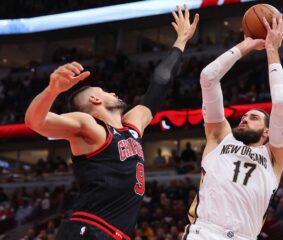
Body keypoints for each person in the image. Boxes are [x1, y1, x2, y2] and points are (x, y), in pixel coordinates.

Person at [25, 5, 198, 240]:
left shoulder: (132, 127)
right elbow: (36, 122)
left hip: (115, 234)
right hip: (88, 229)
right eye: (105, 90)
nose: (113, 92)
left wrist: (181, 42)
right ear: (95, 99)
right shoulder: (90, 127)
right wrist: (51, 90)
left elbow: (159, 84)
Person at [183, 14, 283, 240]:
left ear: (267, 132)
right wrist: (246, 45)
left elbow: (280, 102)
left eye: (253, 117)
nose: (244, 118)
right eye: (243, 116)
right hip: (204, 232)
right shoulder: (220, 136)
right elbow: (208, 77)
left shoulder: (274, 156)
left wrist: (272, 49)